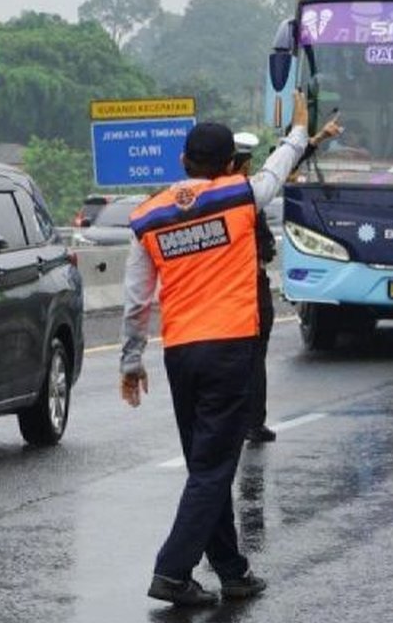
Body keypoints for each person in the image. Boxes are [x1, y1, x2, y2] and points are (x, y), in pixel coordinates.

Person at [120, 92, 341, 607]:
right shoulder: (239, 197)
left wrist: (132, 362)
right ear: (226, 166)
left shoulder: (148, 217)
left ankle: (232, 571)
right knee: (215, 467)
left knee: (206, 462)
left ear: (181, 161)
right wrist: (297, 130)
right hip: (229, 348)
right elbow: (278, 169)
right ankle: (172, 571)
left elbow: (135, 302)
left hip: (180, 353)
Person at [232, 132, 278, 444]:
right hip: (248, 289)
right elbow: (265, 244)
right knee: (252, 357)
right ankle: (251, 422)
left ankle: (243, 422)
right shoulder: (246, 198)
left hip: (225, 293)